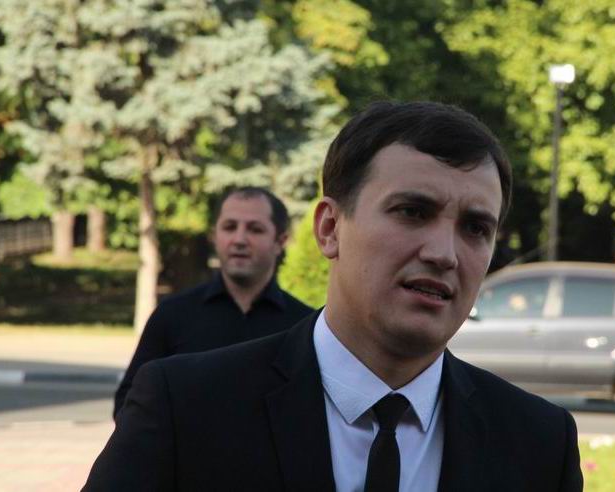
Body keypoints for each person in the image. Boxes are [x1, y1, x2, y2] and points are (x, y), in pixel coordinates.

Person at [84, 102, 583, 491]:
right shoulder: (185, 408)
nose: (443, 254)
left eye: (475, 228)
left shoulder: (540, 442)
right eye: (412, 212)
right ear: (329, 228)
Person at [113, 186, 313, 416]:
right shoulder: (173, 315)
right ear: (214, 236)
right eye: (229, 227)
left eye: (255, 229)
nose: (239, 239)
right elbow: (129, 402)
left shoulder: (304, 326)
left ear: (280, 241)